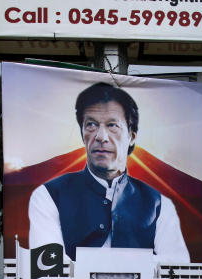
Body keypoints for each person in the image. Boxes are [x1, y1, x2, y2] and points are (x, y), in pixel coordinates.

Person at [28, 82, 190, 264]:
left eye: (112, 125)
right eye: (91, 124)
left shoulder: (159, 205)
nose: (101, 137)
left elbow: (177, 265)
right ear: (82, 133)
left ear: (131, 136)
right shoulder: (49, 195)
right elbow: (47, 267)